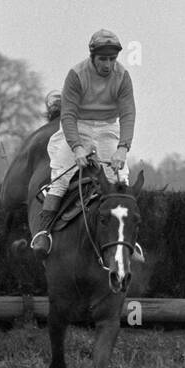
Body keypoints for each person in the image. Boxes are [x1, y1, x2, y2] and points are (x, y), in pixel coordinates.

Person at [30, 29, 136, 257]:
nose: (108, 65)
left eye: (112, 59)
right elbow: (67, 115)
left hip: (108, 128)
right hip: (79, 125)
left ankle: (128, 241)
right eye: (103, 59)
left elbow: (128, 114)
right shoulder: (76, 75)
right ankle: (43, 233)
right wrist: (77, 147)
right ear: (92, 57)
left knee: (121, 179)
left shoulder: (123, 76)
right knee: (60, 177)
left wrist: (122, 148)